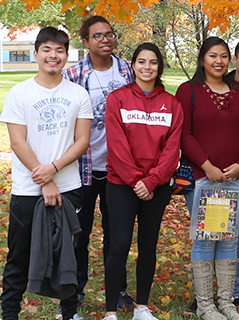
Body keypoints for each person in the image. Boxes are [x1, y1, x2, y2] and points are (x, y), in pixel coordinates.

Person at [0, 26, 93, 320]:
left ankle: (69, 313)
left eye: (60, 50)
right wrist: (45, 180)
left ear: (67, 55)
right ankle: (10, 312)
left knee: (69, 251)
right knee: (18, 254)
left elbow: (82, 141)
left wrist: (53, 172)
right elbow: (17, 142)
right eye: (47, 50)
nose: (53, 56)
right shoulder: (19, 93)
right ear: (37, 53)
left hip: (68, 186)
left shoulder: (78, 94)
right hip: (27, 190)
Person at [101, 43, 183, 320]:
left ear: (159, 67)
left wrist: (152, 181)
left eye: (153, 63)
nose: (147, 67)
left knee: (148, 244)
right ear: (133, 65)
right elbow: (116, 145)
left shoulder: (171, 104)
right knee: (119, 244)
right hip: (122, 184)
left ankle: (142, 308)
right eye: (141, 62)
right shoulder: (118, 99)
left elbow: (172, 149)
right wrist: (138, 180)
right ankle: (111, 311)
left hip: (157, 187)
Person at [176, 37, 239, 320]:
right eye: (213, 56)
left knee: (229, 239)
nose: (219, 61)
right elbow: (184, 133)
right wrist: (207, 165)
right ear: (202, 60)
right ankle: (206, 305)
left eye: (224, 56)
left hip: (237, 178)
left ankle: (226, 302)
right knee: (205, 239)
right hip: (204, 178)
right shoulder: (189, 91)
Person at [62, 15, 134, 310]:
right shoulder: (75, 74)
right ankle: (75, 292)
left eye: (109, 34)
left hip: (119, 169)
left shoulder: (127, 69)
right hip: (84, 169)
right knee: (80, 234)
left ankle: (118, 291)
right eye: (97, 36)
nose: (105, 39)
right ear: (86, 41)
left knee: (117, 236)